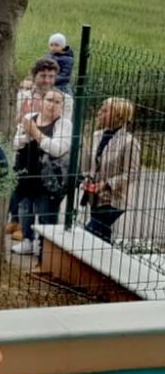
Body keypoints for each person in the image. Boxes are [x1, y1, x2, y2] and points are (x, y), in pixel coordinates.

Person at [9, 88, 72, 255]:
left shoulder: (64, 124)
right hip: (26, 172)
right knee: (25, 208)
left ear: (62, 106)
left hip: (49, 177)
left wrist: (36, 134)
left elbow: (58, 149)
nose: (52, 105)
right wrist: (27, 137)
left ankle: (45, 246)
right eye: (49, 100)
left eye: (57, 102)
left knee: (46, 212)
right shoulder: (30, 118)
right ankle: (27, 239)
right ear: (43, 101)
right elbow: (15, 143)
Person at [81, 98, 141, 243]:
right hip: (94, 197)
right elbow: (93, 164)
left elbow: (132, 174)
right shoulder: (97, 135)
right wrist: (87, 178)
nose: (99, 113)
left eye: (104, 110)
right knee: (101, 240)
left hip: (114, 200)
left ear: (118, 115)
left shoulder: (129, 142)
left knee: (89, 235)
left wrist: (107, 184)